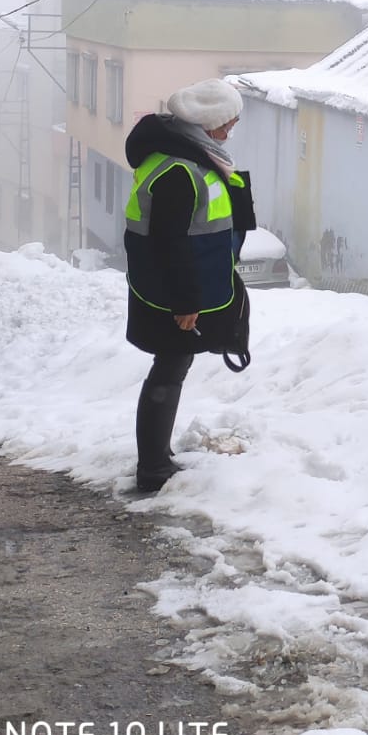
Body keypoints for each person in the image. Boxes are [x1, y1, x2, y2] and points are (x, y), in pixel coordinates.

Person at [123, 78, 256, 492]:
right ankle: (153, 469)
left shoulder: (188, 158)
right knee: (169, 369)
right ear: (209, 125)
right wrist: (185, 302)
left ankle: (157, 459)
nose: (232, 130)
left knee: (172, 367)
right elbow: (171, 242)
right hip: (171, 294)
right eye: (228, 123)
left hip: (176, 288)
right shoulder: (178, 171)